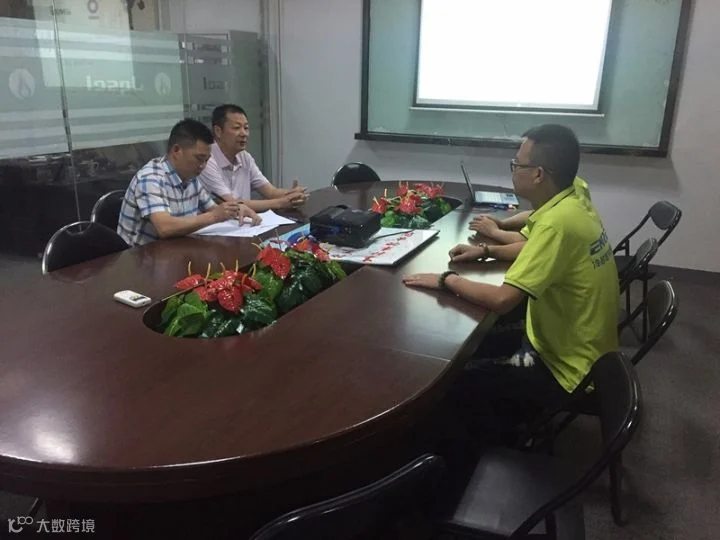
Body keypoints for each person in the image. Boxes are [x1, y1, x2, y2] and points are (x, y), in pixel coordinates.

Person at [402, 124, 619, 442]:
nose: (513, 169)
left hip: (565, 368)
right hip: (584, 350)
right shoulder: (573, 194)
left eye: (517, 164)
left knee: (452, 382)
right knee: (472, 346)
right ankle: (508, 417)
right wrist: (486, 250)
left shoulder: (558, 225)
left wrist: (446, 280)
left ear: (539, 174)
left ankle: (484, 451)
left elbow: (503, 300)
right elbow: (533, 227)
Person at [118, 119, 255, 247]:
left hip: (175, 250)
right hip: (140, 257)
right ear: (177, 150)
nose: (203, 166)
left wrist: (235, 209)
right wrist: (215, 216)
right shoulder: (151, 178)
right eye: (199, 158)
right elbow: (164, 228)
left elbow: (213, 209)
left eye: (206, 160)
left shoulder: (190, 177)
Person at [199, 104, 308, 212]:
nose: (244, 134)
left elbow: (270, 192)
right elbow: (231, 203)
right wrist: (281, 203)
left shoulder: (244, 157)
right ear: (218, 131)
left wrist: (293, 194)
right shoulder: (205, 161)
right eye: (236, 128)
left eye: (246, 128)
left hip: (247, 221)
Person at [469, 177, 592, 262]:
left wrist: (493, 232)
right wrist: (502, 223)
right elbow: (535, 214)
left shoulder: (556, 201)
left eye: (518, 165)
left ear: (539, 172)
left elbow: (526, 243)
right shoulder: (575, 184)